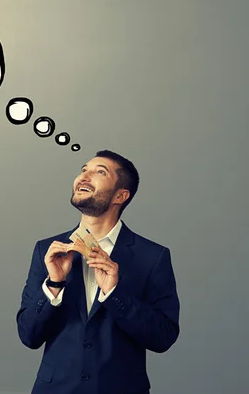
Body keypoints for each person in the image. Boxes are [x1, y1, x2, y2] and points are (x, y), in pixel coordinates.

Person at [16, 149, 180, 394]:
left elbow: (163, 337)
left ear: (120, 196)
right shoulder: (46, 251)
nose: (84, 177)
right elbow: (29, 336)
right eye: (83, 170)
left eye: (98, 172)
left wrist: (114, 293)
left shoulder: (153, 257)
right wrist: (54, 284)